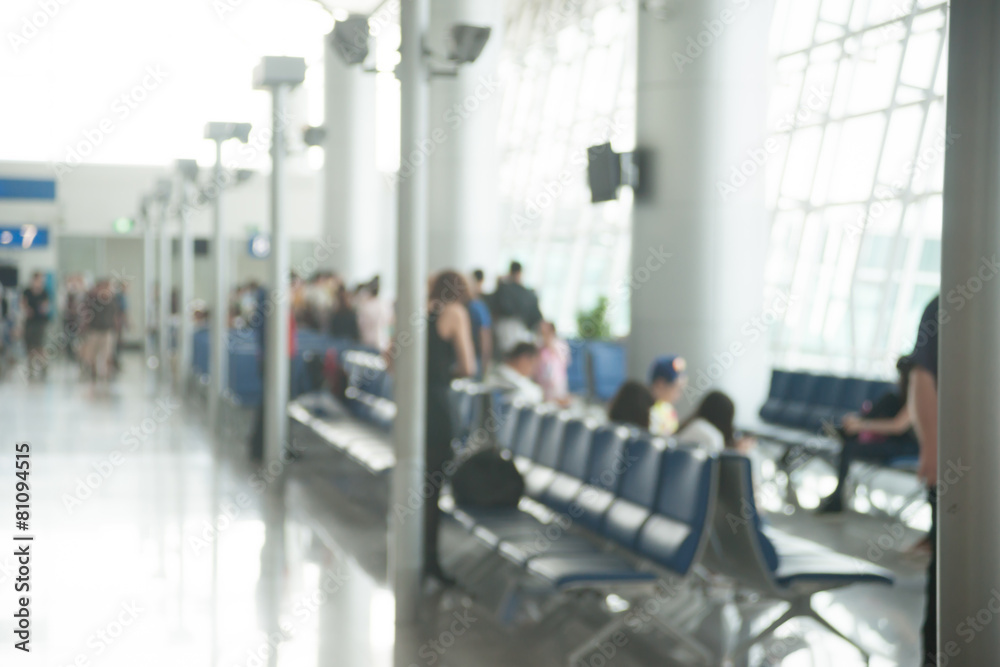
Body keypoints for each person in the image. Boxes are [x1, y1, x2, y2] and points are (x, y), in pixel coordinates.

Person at [424, 270, 476, 584]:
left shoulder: (417, 314)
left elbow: (390, 357)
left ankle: (415, 557)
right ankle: (431, 561)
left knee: (418, 487)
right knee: (433, 487)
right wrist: (443, 373)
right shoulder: (454, 312)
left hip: (414, 406)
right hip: (439, 407)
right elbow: (468, 366)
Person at [817, 356, 919, 514]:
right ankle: (849, 429)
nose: (899, 380)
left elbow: (898, 426)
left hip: (906, 447)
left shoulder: (918, 398)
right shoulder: (897, 395)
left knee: (849, 447)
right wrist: (859, 422)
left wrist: (862, 425)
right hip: (891, 441)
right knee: (889, 398)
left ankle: (837, 497)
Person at [908, 296, 939, 667]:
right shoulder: (947, 302)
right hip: (964, 468)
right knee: (947, 573)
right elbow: (923, 374)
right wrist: (932, 447)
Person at [489, 261, 542, 356]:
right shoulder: (529, 293)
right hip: (523, 331)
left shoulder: (503, 289)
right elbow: (536, 318)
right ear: (520, 273)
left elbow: (494, 310)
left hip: (503, 330)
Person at [81, 278, 120, 383]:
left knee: (107, 353)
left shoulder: (112, 300)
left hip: (107, 330)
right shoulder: (93, 300)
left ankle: (107, 374)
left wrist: (117, 329)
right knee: (91, 354)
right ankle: (93, 373)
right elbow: (86, 315)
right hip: (94, 330)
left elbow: (115, 315)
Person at [648, 355, 687, 436]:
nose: (679, 395)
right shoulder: (649, 411)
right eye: (677, 389)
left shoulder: (668, 410)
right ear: (660, 385)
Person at [22, 272, 51, 378]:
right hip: (30, 321)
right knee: (30, 345)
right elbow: (23, 303)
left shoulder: (44, 292)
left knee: (40, 345)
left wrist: (43, 308)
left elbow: (46, 306)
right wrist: (26, 309)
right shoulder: (27, 291)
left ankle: (43, 367)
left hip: (40, 322)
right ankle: (30, 367)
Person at [534, 320, 570, 406]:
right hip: (541, 386)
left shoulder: (560, 345)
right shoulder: (537, 347)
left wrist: (550, 345)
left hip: (557, 386)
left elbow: (564, 361)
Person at [466, 269, 493, 378]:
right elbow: (484, 334)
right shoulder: (477, 306)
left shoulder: (473, 306)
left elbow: (484, 334)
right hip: (473, 357)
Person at [356, 276, 393, 351]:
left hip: (367, 342)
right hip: (382, 342)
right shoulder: (384, 305)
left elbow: (360, 325)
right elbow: (390, 323)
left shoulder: (364, 306)